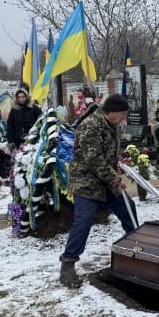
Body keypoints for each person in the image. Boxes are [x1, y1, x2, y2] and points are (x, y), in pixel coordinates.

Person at [58, 94, 137, 288]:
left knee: (128, 209)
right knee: (83, 221)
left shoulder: (113, 125)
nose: (124, 118)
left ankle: (135, 250)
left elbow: (110, 152)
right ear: (111, 112)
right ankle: (68, 264)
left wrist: (119, 163)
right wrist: (114, 179)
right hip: (87, 183)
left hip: (106, 181)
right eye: (122, 114)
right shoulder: (90, 126)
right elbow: (94, 160)